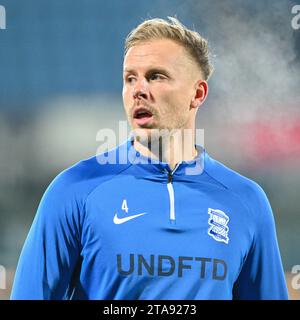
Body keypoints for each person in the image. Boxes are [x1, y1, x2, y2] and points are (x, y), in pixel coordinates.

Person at [11, 17, 288, 300]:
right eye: (130, 78)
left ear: (198, 93)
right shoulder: (74, 190)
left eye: (156, 76)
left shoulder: (246, 201)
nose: (138, 90)